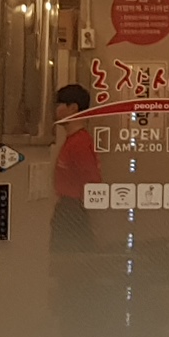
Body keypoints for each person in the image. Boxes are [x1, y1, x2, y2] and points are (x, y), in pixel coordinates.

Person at [50, 84, 100, 252]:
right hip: (68, 209)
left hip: (73, 211)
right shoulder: (72, 140)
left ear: (73, 108)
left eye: (59, 105)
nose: (56, 110)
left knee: (69, 259)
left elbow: (92, 182)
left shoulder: (80, 143)